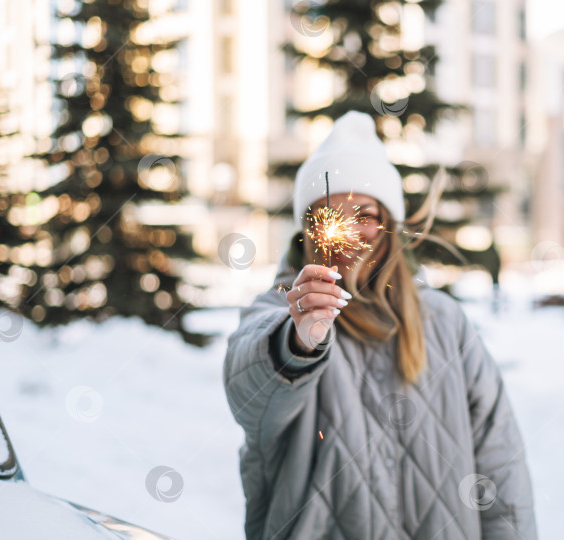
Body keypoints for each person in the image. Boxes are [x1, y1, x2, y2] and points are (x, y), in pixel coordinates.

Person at [223, 111, 537, 539]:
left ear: (389, 223)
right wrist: (297, 344)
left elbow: (501, 465)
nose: (349, 231)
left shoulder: (444, 323)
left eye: (365, 213)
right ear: (310, 232)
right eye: (329, 217)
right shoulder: (279, 311)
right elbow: (249, 387)